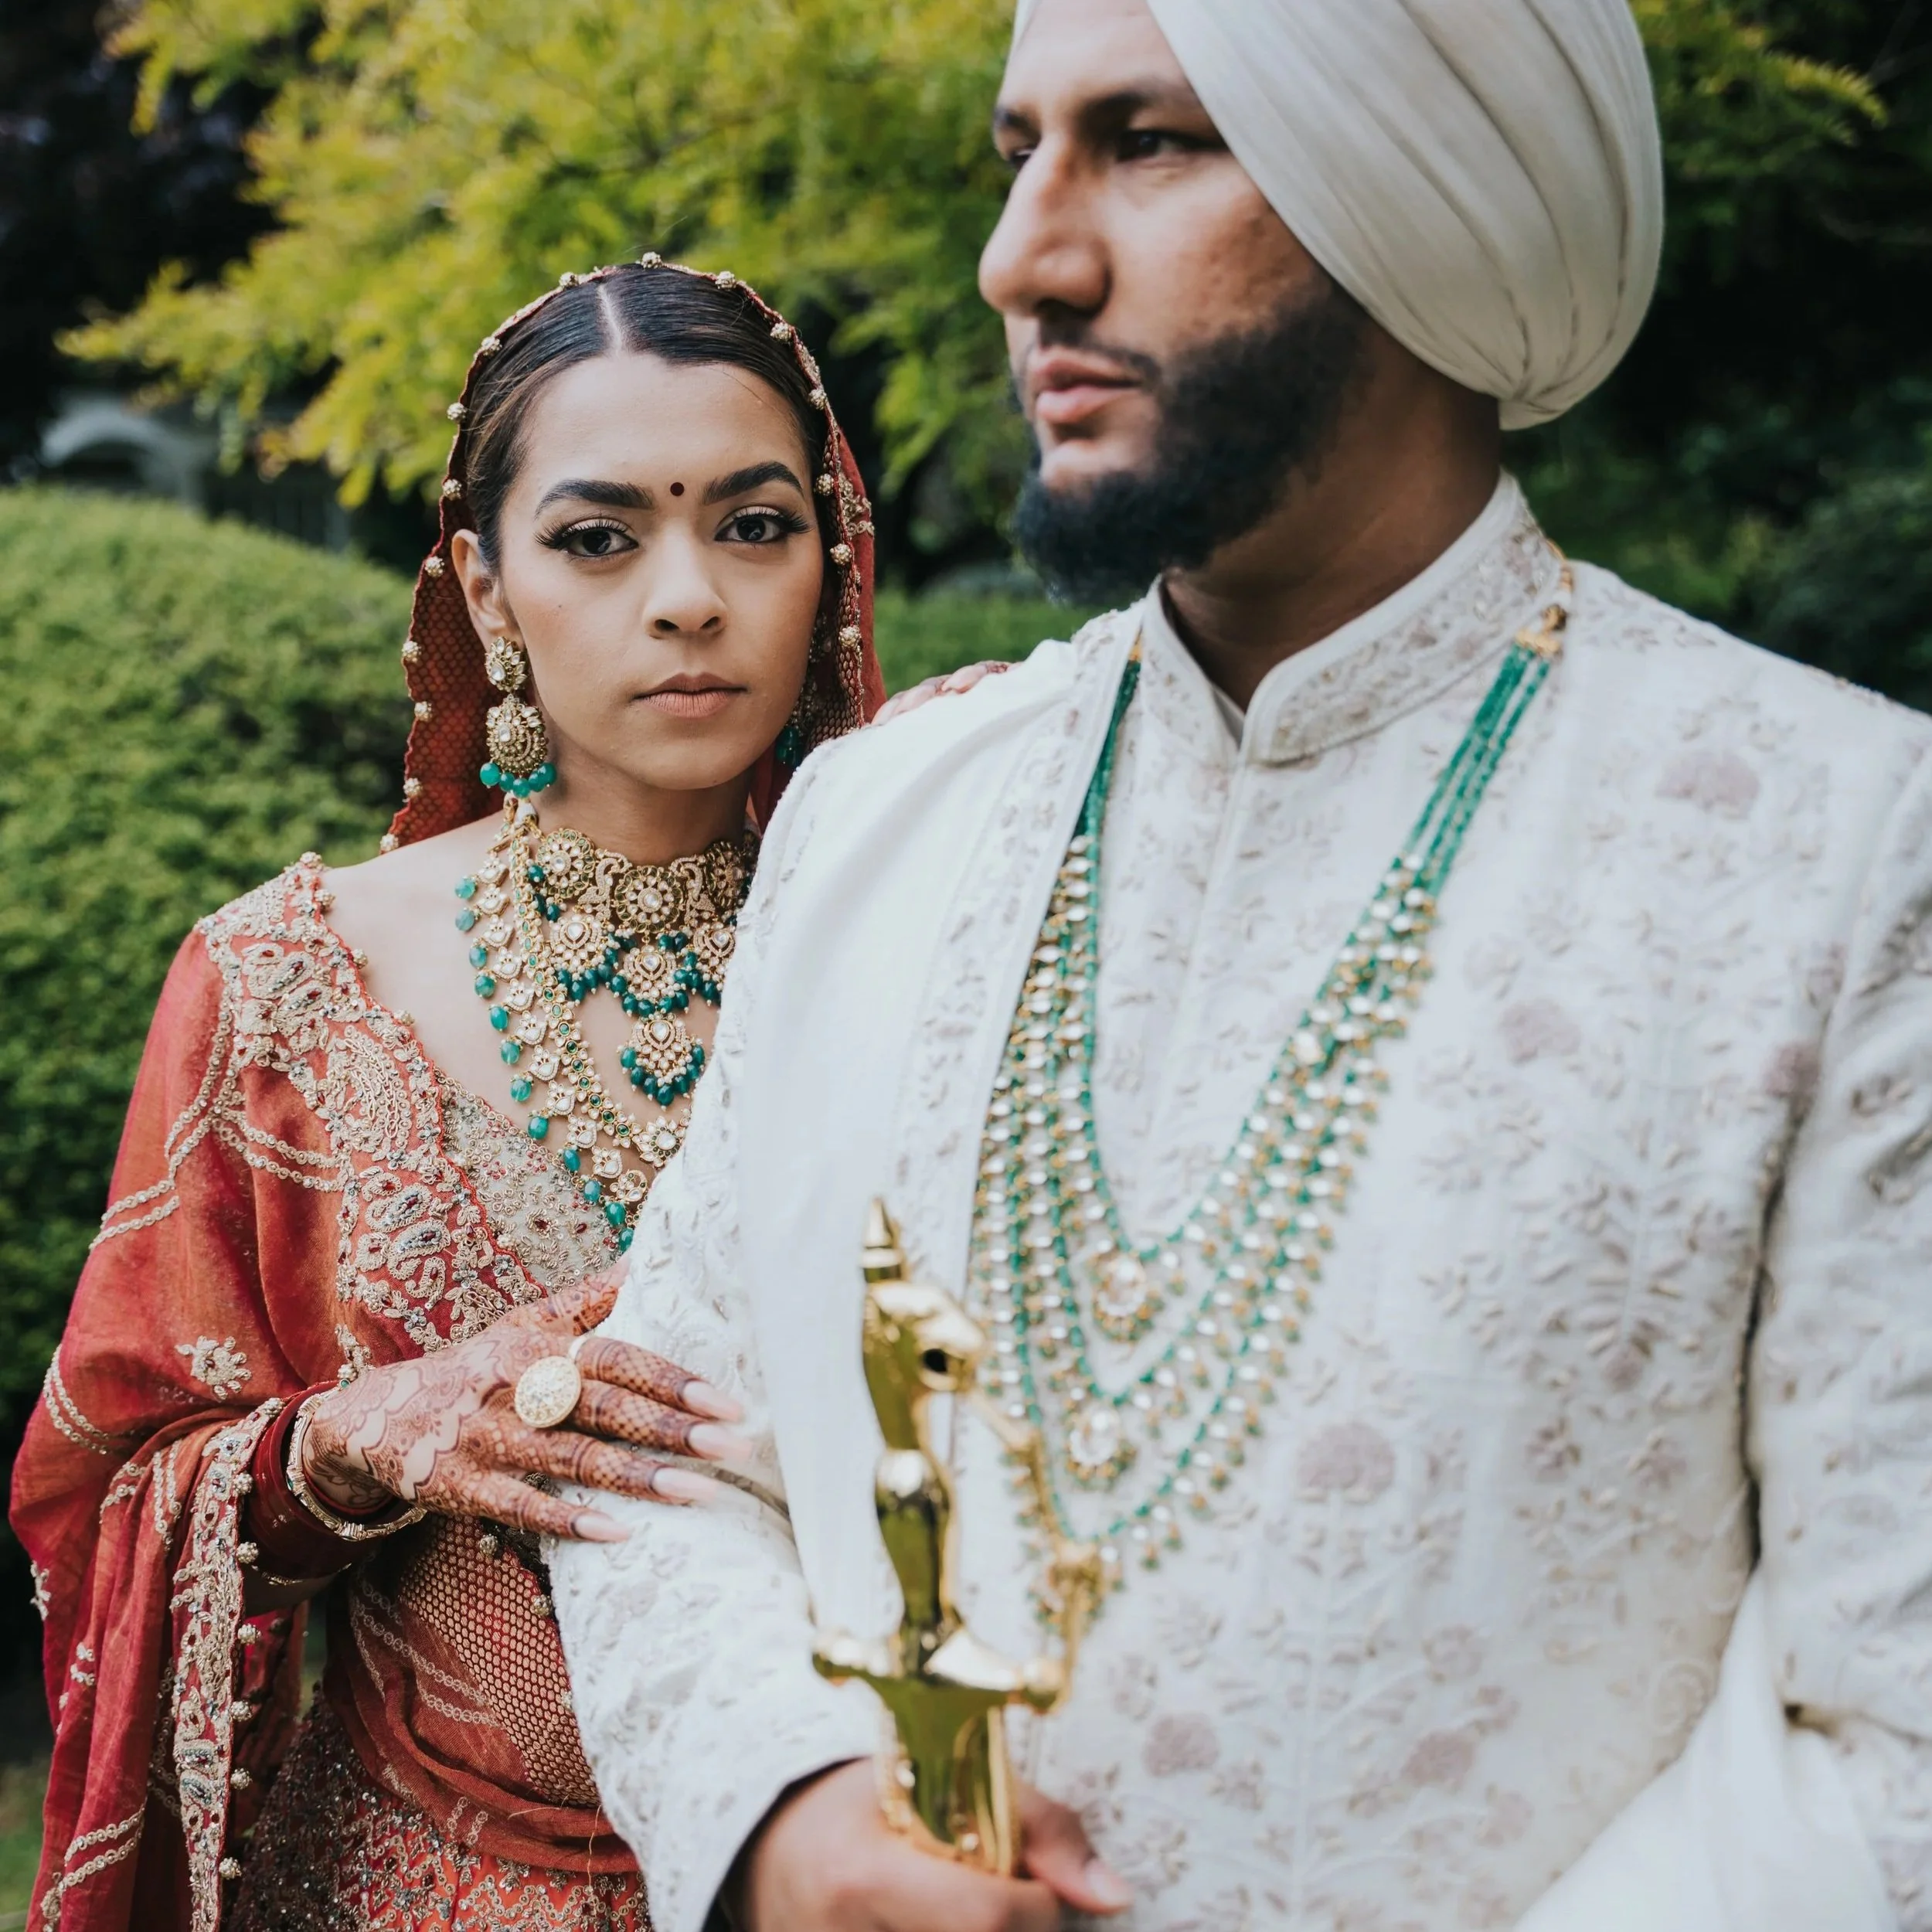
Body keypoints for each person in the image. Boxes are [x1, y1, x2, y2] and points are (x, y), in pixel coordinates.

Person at [549, 2, 1932, 1929]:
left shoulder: (1839, 848)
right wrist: (780, 1824)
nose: (1021, 255)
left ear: (1425, 191)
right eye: (1017, 148)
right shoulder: (886, 819)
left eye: (1151, 141)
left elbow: (1888, 1740)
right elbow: (657, 1454)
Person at [10, 259, 896, 1932]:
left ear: (829, 562)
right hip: (419, 1884)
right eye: (598, 535)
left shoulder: (935, 945)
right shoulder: (288, 977)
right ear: (484, 588)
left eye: (754, 524)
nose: (689, 596)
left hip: (863, 1873)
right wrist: (356, 1437)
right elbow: (104, 1486)